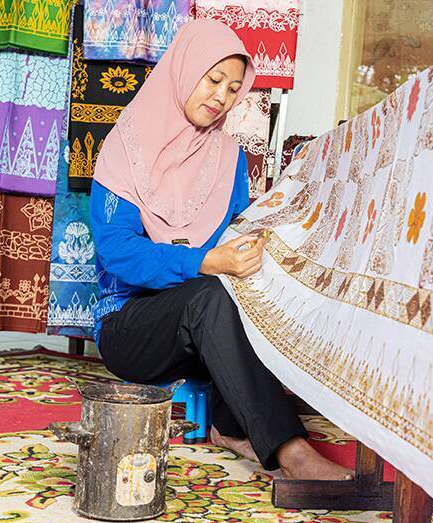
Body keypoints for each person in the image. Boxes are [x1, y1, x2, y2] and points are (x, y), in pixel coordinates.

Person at [88, 19, 352, 481]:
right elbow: (118, 254)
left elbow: (236, 232)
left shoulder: (228, 157)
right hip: (130, 327)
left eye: (233, 89)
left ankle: (230, 428)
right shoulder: (124, 149)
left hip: (205, 330)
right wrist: (204, 261)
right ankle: (291, 452)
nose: (221, 97)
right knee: (211, 295)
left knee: (250, 294)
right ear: (184, 71)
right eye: (212, 80)